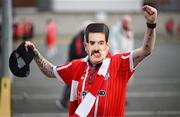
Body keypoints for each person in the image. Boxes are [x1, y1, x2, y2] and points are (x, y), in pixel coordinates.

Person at [24, 5, 157, 117]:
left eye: (101, 43)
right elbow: (50, 71)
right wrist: (35, 54)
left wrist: (151, 25)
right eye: (92, 43)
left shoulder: (119, 63)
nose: (97, 48)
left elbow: (146, 50)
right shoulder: (77, 66)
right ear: (85, 46)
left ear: (107, 45)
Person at [56, 24, 87, 109]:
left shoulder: (80, 37)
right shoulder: (79, 38)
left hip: (77, 63)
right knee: (71, 84)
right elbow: (79, 52)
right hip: (75, 65)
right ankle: (63, 101)